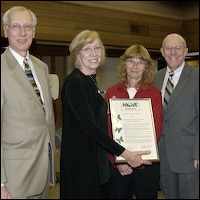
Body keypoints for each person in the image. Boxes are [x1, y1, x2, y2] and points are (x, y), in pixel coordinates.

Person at [60, 30, 152, 199]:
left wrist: (110, 109)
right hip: (82, 167)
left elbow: (89, 114)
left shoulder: (90, 81)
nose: (94, 53)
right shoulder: (75, 82)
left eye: (97, 48)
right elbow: (90, 127)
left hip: (96, 165)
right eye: (87, 49)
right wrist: (126, 154)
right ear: (77, 54)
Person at [1, 6, 56, 199]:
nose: (22, 32)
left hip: (42, 172)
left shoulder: (41, 67)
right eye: (16, 26)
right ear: (5, 30)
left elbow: (46, 120)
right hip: (13, 177)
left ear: (34, 31)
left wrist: (50, 168)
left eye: (27, 26)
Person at [104, 44, 163, 199]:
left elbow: (156, 129)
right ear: (124, 64)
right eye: (131, 61)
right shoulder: (111, 92)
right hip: (119, 165)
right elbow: (106, 130)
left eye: (140, 62)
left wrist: (136, 159)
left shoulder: (154, 94)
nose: (135, 66)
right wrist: (119, 160)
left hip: (146, 164)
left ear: (146, 67)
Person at [153, 33, 199, 199]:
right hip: (162, 155)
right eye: (168, 48)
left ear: (185, 51)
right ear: (162, 51)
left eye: (178, 47)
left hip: (189, 156)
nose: (173, 52)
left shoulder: (196, 76)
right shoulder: (155, 78)